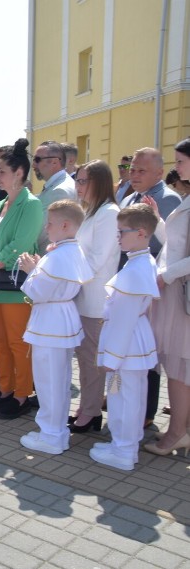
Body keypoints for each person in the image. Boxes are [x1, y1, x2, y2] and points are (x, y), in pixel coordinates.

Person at [17, 200, 92, 454]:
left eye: (50, 223)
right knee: (58, 380)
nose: (46, 227)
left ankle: (50, 435)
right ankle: (56, 432)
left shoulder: (59, 254)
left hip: (50, 319)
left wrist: (31, 270)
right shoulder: (72, 250)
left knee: (49, 381)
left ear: (65, 224)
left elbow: (38, 291)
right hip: (62, 316)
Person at [90, 204, 159, 471]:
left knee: (125, 398)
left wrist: (112, 356)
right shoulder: (141, 261)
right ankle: (123, 444)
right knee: (128, 397)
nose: (118, 236)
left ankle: (124, 451)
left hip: (127, 346)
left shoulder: (135, 270)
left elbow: (124, 318)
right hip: (132, 342)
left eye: (122, 232)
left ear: (141, 233)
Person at [0, 138, 44, 420]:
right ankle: (5, 388)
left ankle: (22, 394)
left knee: (19, 342)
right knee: (0, 342)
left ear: (19, 173)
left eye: (1, 170)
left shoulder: (31, 205)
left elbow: (21, 243)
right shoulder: (0, 204)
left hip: (15, 285)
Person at [119, 147, 182, 428]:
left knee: (148, 348)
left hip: (151, 285)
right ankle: (125, 397)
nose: (134, 174)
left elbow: (165, 246)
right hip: (129, 279)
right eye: (132, 169)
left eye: (141, 170)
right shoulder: (128, 196)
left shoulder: (168, 198)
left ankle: (145, 412)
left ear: (159, 172)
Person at [146, 138, 190, 458]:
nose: (176, 167)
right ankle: (180, 429)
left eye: (180, 161)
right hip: (174, 291)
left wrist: (165, 276)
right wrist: (159, 221)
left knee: (178, 367)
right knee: (177, 366)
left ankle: (176, 433)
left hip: (179, 294)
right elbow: (175, 244)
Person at [69, 160, 120, 433]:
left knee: (94, 361)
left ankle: (91, 413)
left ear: (98, 182)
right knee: (86, 359)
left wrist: (66, 270)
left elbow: (97, 259)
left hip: (97, 301)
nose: (77, 186)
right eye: (77, 180)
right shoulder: (91, 211)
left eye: (82, 180)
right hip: (84, 297)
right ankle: (87, 408)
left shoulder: (109, 212)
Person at [32, 141, 77, 253]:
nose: (33, 165)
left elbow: (39, 232)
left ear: (54, 162)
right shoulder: (57, 186)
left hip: (50, 260)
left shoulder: (59, 191)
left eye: (37, 160)